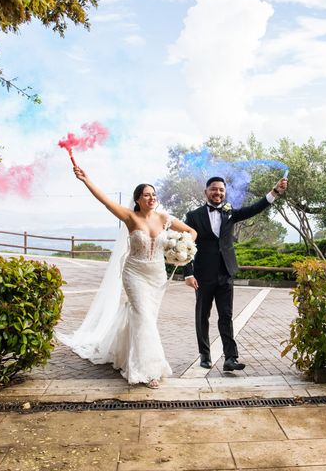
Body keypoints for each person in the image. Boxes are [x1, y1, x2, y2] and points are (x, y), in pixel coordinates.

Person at [57, 166, 197, 388]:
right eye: (146, 195)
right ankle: (149, 370)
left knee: (147, 318)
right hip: (135, 273)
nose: (151, 197)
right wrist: (86, 179)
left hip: (157, 276)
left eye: (153, 194)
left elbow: (191, 232)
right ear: (138, 199)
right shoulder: (130, 217)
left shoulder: (164, 218)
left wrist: (180, 251)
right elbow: (105, 201)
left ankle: (123, 353)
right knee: (143, 316)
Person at [183, 175, 287, 371]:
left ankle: (230, 358)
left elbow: (254, 209)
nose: (218, 192)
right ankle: (204, 355)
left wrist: (274, 192)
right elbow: (185, 245)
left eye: (221, 190)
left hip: (225, 273)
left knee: (226, 316)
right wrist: (188, 273)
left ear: (225, 192)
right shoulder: (193, 216)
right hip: (202, 275)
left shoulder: (229, 212)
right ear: (206, 192)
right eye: (214, 189)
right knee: (202, 315)